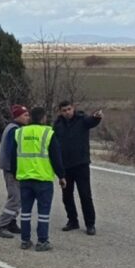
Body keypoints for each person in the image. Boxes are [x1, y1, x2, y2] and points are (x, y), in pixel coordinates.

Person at [11, 106, 66, 251]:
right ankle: (42, 241)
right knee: (43, 212)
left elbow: (13, 155)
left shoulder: (20, 132)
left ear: (30, 117)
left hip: (25, 178)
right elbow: (56, 157)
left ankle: (25, 240)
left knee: (25, 212)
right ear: (43, 118)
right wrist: (61, 176)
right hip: (43, 179)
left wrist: (15, 173)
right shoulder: (48, 133)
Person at [53, 101, 103, 236]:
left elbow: (92, 121)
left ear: (73, 108)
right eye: (64, 110)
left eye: (69, 109)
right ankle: (72, 221)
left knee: (85, 195)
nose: (67, 112)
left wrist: (97, 117)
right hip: (65, 166)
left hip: (81, 165)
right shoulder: (57, 125)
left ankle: (90, 224)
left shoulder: (82, 119)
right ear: (60, 112)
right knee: (67, 196)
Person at [0, 104, 31, 238]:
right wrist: (16, 171)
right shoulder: (14, 130)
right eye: (25, 115)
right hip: (11, 169)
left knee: (19, 198)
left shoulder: (15, 128)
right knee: (15, 198)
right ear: (17, 116)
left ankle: (11, 222)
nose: (28, 117)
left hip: (14, 169)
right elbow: (13, 153)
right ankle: (1, 225)